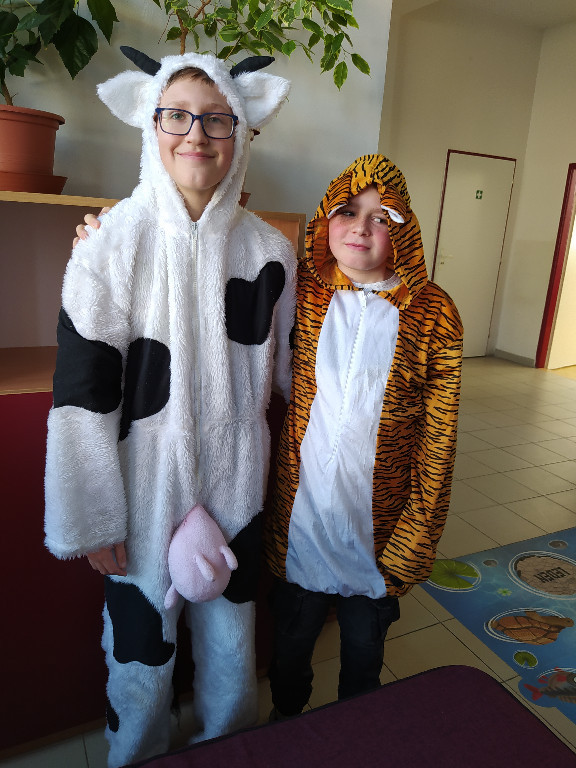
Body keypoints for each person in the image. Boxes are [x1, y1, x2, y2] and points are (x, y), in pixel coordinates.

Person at [44, 48, 295, 768]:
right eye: (177, 116)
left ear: (241, 130)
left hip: (239, 479)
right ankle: (136, 754)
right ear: (150, 124)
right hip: (142, 482)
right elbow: (82, 392)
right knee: (140, 649)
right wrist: (93, 517)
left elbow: (293, 371)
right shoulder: (111, 244)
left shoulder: (270, 252)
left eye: (217, 119)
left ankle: (229, 746)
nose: (196, 135)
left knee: (233, 642)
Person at [263, 154, 463, 718]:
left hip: (379, 535)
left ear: (404, 232)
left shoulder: (434, 314)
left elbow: (439, 441)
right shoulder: (303, 293)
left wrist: (415, 538)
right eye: (348, 211)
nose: (361, 227)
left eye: (382, 217)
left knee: (362, 656)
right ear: (326, 218)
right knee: (291, 645)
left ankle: (357, 734)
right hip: (302, 524)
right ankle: (286, 724)